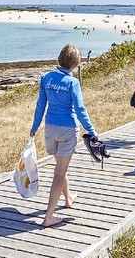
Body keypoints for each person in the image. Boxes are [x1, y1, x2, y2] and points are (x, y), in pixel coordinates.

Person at [31, 44, 98, 227]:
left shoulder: (46, 78)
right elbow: (80, 109)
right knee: (60, 172)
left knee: (60, 165)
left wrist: (34, 127)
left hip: (50, 129)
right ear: (76, 64)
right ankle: (49, 217)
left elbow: (40, 106)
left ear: (60, 58)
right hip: (68, 129)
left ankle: (68, 198)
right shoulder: (72, 82)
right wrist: (91, 130)